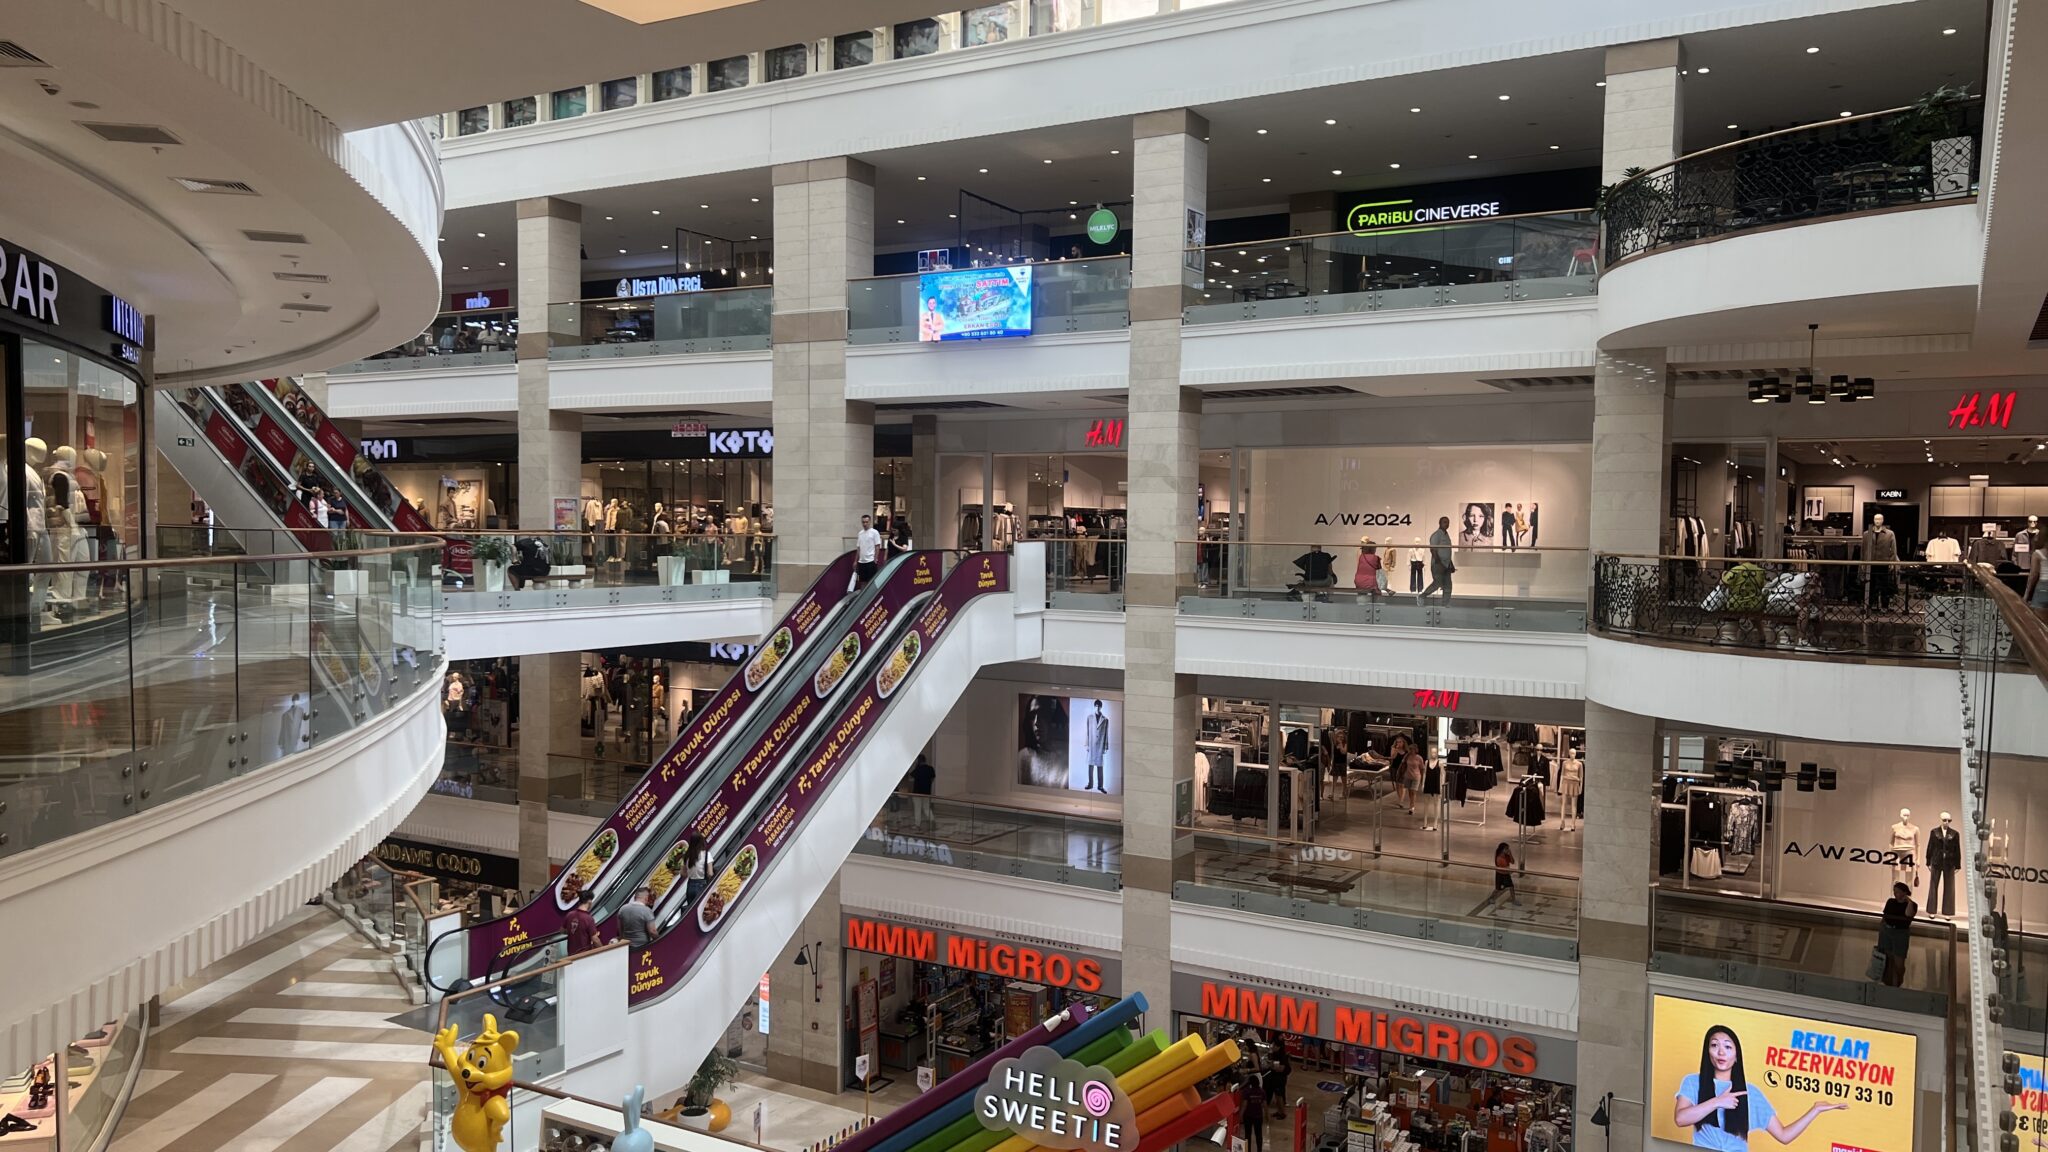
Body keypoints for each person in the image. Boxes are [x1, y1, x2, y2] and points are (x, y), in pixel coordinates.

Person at [1674, 1025, 1845, 1148]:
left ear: (1737, 1056)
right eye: (1714, 1045)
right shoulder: (1693, 1082)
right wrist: (1717, 1102)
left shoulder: (1751, 1093)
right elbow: (1680, 1119)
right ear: (1707, 1052)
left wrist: (1815, 1110)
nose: (1721, 1052)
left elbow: (1784, 1136)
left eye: (1727, 1046)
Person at [1879, 880, 1917, 987]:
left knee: (1899, 961)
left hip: (1901, 934)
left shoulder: (1912, 905)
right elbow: (1885, 916)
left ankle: (1898, 981)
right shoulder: (1891, 901)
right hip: (1887, 931)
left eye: (1898, 892)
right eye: (1895, 891)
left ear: (1904, 892)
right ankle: (1889, 981)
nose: (1896, 894)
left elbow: (1909, 914)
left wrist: (1908, 901)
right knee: (1888, 959)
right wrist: (1881, 928)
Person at [1419, 516, 1455, 602]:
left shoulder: (1447, 535)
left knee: (1448, 585)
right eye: (1444, 522)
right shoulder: (1436, 535)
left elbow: (1447, 551)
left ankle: (1445, 603)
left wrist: (1451, 564)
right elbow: (1433, 550)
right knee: (1437, 583)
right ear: (1440, 523)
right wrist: (1439, 563)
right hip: (1438, 564)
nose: (1446, 524)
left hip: (1447, 564)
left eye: (1448, 522)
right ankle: (1422, 597)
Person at [1390, 733, 1424, 813]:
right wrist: (1396, 750)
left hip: (1411, 774)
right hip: (1399, 770)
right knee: (1400, 786)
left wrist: (1422, 779)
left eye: (1400, 742)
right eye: (1397, 742)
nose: (1399, 743)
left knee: (1408, 788)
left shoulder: (1414, 755)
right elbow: (1394, 758)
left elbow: (1422, 768)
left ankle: (1408, 804)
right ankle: (1401, 800)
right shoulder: (1397, 751)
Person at [1238, 1069, 1267, 1152]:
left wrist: (1241, 1115)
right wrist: (1267, 1115)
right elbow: (1265, 1105)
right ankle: (1259, 1150)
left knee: (1247, 1135)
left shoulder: (1247, 1092)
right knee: (1259, 1134)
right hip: (1258, 1116)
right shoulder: (1262, 1092)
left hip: (1248, 1116)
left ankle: (1248, 1150)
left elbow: (1244, 1105)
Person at [909, 753, 937, 829]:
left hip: (917, 792)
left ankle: (917, 824)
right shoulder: (930, 768)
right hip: (926, 792)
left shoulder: (917, 769)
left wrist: (915, 766)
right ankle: (932, 820)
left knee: (917, 809)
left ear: (918, 761)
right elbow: (932, 778)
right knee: (926, 808)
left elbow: (910, 776)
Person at [855, 514, 883, 587]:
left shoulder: (874, 532)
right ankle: (863, 594)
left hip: (870, 561)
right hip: (861, 561)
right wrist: (855, 561)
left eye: (866, 522)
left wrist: (875, 559)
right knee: (862, 581)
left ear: (870, 522)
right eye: (863, 522)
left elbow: (877, 546)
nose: (865, 524)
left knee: (871, 582)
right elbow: (858, 548)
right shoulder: (860, 533)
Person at [1263, 1049, 1291, 1119]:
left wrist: (1270, 1066)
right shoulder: (1279, 1056)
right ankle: (1279, 1111)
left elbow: (1279, 1069)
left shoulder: (1281, 1057)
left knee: (1279, 1096)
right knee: (1277, 1096)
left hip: (1279, 1079)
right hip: (1277, 1079)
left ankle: (1282, 1113)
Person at [683, 834, 710, 904]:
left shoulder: (687, 855)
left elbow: (683, 874)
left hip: (690, 886)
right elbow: (710, 873)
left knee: (690, 908)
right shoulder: (707, 854)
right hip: (701, 885)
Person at [2027, 539, 2048, 623]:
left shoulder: (2038, 553)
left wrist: (2026, 595)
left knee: (2039, 622)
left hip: (2043, 586)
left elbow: (2033, 575)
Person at [1493, 841, 1518, 907]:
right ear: (1502, 850)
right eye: (1506, 849)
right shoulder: (1499, 858)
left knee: (1511, 887)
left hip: (1506, 874)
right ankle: (1492, 898)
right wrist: (1510, 871)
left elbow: (1512, 862)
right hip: (1500, 874)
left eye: (1508, 848)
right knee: (1498, 889)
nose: (1508, 850)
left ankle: (1514, 900)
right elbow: (1504, 868)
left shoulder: (1506, 855)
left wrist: (1510, 854)